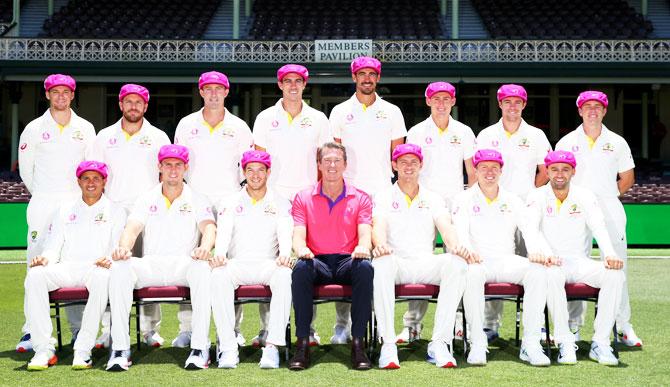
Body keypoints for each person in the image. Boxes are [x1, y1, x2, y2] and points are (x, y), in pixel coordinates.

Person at [105, 144, 216, 371]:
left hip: (183, 264)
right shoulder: (146, 198)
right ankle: (120, 349)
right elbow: (132, 228)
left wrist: (205, 248)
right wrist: (123, 248)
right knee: (119, 268)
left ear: (186, 168)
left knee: (203, 269)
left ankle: (200, 348)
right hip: (152, 265)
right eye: (168, 165)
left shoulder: (198, 198)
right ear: (160, 167)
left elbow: (209, 228)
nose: (173, 170)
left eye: (178, 165)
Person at [453, 149, 559, 366]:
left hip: (507, 260)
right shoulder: (463, 198)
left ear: (501, 171)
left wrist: (539, 252)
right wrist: (467, 250)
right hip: (478, 261)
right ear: (476, 170)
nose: (489, 172)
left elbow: (530, 229)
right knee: (471, 274)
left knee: (538, 271)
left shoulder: (513, 199)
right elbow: (460, 232)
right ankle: (477, 342)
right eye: (484, 167)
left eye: (494, 168)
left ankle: (530, 344)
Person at [327, 56, 406, 344]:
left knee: (383, 258)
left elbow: (397, 156)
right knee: (347, 259)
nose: (367, 79)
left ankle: (382, 324)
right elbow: (334, 158)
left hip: (382, 194)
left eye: (372, 74)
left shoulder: (392, 112)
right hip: (348, 195)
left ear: (378, 78)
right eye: (362, 74)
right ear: (354, 77)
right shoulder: (339, 111)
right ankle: (342, 325)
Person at [251, 64, 331, 346]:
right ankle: (266, 327)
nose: (293, 86)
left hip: (308, 200)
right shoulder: (264, 118)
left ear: (305, 85)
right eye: (288, 81)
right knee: (274, 263)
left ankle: (307, 327)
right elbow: (258, 162)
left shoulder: (319, 118)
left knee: (308, 264)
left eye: (298, 81)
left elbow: (325, 162)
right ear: (280, 85)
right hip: (272, 201)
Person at [371, 144, 470, 369]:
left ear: (421, 166)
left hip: (425, 263)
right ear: (394, 165)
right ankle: (388, 344)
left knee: (456, 263)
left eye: (413, 162)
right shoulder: (384, 196)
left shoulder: (433, 198)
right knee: (381, 262)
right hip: (397, 262)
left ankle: (439, 343)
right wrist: (381, 245)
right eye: (403, 162)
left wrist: (455, 246)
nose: (408, 167)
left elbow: (446, 227)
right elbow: (378, 225)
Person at [173, 71, 253, 347]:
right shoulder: (186, 124)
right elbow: (179, 165)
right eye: (209, 89)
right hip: (194, 204)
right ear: (201, 92)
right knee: (192, 264)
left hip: (230, 204)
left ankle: (231, 330)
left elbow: (247, 170)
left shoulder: (240, 127)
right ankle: (187, 329)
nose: (214, 94)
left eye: (219, 89)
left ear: (227, 92)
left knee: (226, 267)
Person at [17, 74, 96, 352]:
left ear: (73, 95)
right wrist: (44, 195)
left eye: (66, 92)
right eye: (56, 92)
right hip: (43, 204)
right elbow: (27, 171)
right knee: (36, 265)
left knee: (73, 265)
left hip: (75, 205)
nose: (61, 96)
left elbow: (90, 169)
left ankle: (78, 330)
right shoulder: (34, 129)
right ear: (47, 94)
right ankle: (31, 331)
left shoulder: (85, 128)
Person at [555, 91, 640, 347]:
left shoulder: (617, 142)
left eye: (597, 107)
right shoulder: (566, 142)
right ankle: (574, 326)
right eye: (587, 107)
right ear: (580, 111)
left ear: (604, 111)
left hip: (610, 211)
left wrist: (603, 198)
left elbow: (627, 178)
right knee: (574, 265)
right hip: (574, 212)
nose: (592, 111)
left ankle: (623, 325)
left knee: (617, 267)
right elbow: (557, 178)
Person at [525, 150, 625, 366]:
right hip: (551, 262)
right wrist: (546, 254)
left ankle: (600, 343)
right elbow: (531, 229)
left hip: (579, 261)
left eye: (565, 169)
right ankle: (565, 341)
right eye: (554, 169)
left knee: (615, 276)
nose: (559, 174)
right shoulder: (536, 196)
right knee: (551, 274)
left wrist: (609, 253)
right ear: (547, 171)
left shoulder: (585, 196)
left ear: (573, 172)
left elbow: (598, 226)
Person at [23, 161, 125, 370]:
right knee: (35, 275)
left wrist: (109, 259)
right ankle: (43, 349)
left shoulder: (116, 210)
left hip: (96, 269)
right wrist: (45, 259)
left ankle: (83, 349)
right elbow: (53, 246)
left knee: (102, 277)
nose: (91, 183)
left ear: (104, 181)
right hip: (68, 268)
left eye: (96, 178)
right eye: (86, 178)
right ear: (78, 181)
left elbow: (117, 246)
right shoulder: (64, 210)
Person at [91, 83, 170, 348]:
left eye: (139, 102)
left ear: (146, 106)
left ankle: (150, 330)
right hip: (112, 212)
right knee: (110, 268)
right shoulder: (103, 137)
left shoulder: (158, 137)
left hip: (150, 213)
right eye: (129, 101)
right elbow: (96, 175)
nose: (133, 106)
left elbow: (167, 176)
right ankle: (108, 329)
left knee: (149, 268)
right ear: (120, 104)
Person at [475, 84, 552, 342]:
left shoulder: (537, 135)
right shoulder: (486, 134)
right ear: (499, 104)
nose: (512, 106)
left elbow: (545, 171)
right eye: (507, 102)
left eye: (517, 102)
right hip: (493, 211)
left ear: (524, 105)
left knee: (535, 266)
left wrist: (530, 194)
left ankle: (537, 324)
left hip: (527, 210)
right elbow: (479, 171)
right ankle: (490, 325)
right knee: (495, 266)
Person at [288, 142, 374, 371]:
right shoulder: (303, 197)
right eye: (327, 161)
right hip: (318, 261)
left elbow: (365, 234)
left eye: (337, 160)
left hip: (348, 260)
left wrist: (363, 247)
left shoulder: (361, 197)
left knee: (365, 268)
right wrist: (301, 250)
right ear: (319, 165)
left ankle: (358, 344)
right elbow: (298, 236)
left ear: (345, 164)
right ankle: (303, 344)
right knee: (301, 268)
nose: (332, 165)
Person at [402, 81, 476, 343]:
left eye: (446, 99)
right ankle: (413, 324)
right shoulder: (416, 132)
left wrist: (469, 201)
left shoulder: (464, 131)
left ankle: (456, 323)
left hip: (455, 206)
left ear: (453, 101)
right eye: (436, 99)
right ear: (428, 101)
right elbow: (409, 168)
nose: (441, 103)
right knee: (420, 261)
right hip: (423, 204)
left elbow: (472, 171)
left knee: (457, 262)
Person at [210, 150, 293, 369]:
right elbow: (224, 233)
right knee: (218, 274)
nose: (255, 175)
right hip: (238, 264)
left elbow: (285, 232)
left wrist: (285, 254)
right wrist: (219, 254)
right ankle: (228, 348)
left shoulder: (281, 202)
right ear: (243, 172)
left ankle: (272, 347)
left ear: (268, 173)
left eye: (260, 170)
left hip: (269, 264)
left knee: (285, 274)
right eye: (250, 170)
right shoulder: (229, 202)